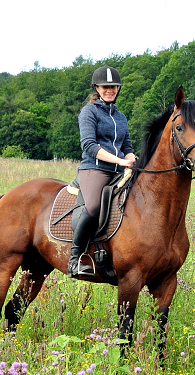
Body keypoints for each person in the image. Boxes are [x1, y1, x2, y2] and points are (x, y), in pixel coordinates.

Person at [68, 65, 137, 277]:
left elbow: (127, 148)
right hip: (94, 169)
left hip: (119, 170)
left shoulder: (121, 117)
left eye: (113, 87)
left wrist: (131, 158)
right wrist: (118, 160)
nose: (110, 90)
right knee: (95, 205)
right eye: (105, 87)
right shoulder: (88, 112)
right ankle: (75, 259)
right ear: (97, 88)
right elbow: (88, 145)